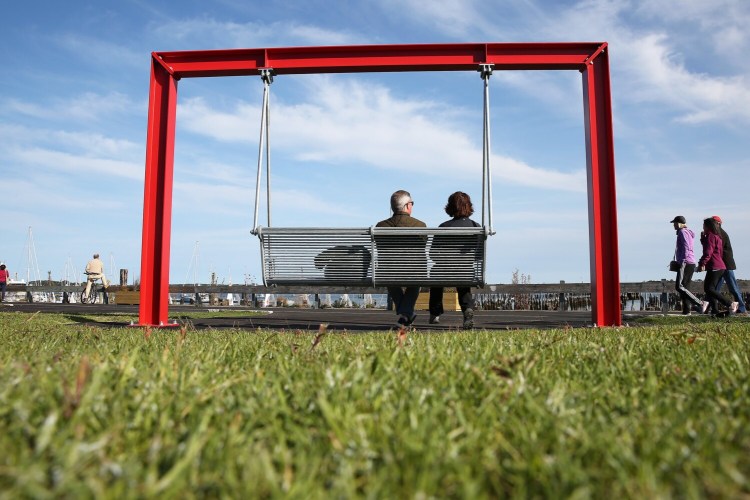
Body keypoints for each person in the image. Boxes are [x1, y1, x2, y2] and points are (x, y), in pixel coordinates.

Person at [429, 192, 481, 328]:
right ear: (469, 206)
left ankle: (435, 313)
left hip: (443, 271)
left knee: (436, 273)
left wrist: (445, 260)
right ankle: (467, 309)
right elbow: (478, 255)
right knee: (463, 275)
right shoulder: (476, 227)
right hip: (466, 271)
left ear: (450, 207)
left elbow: (432, 254)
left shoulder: (443, 227)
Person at [376, 190, 426, 327]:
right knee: (417, 276)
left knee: (388, 275)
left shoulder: (380, 226)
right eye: (412, 203)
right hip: (415, 271)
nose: (412, 206)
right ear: (406, 206)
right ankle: (406, 313)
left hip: (388, 271)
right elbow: (423, 245)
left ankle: (406, 313)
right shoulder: (420, 225)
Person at [696, 218, 737, 316]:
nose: (702, 227)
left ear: (708, 226)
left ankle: (730, 304)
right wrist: (703, 239)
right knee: (712, 289)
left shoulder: (710, 236)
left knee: (708, 289)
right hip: (720, 266)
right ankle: (715, 310)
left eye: (704, 225)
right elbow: (712, 249)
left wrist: (701, 263)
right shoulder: (717, 236)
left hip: (715, 266)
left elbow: (708, 252)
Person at [669, 216, 706, 315]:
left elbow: (686, 246)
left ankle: (700, 303)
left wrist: (683, 260)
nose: (674, 225)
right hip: (690, 262)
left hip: (686, 262)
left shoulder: (682, 232)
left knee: (679, 287)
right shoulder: (687, 232)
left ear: (680, 223)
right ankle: (687, 311)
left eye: (675, 223)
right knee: (685, 287)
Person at [712, 215, 747, 314]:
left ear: (718, 223)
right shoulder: (718, 233)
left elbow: (718, 250)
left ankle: (742, 308)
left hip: (725, 264)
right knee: (715, 289)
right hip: (722, 264)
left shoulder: (720, 234)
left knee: (732, 287)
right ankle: (712, 307)